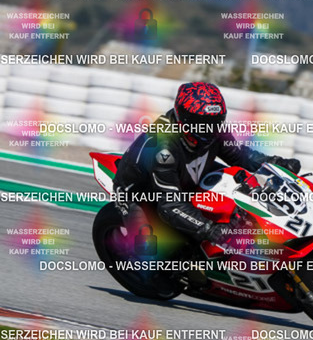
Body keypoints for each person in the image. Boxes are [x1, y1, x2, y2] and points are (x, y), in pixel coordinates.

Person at [113, 82, 301, 247]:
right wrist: (209, 229)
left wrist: (277, 163)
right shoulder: (163, 149)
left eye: (216, 121)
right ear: (185, 118)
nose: (211, 128)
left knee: (241, 188)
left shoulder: (212, 130)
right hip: (142, 193)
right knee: (149, 252)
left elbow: (240, 156)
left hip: (188, 176)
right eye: (203, 122)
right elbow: (169, 203)